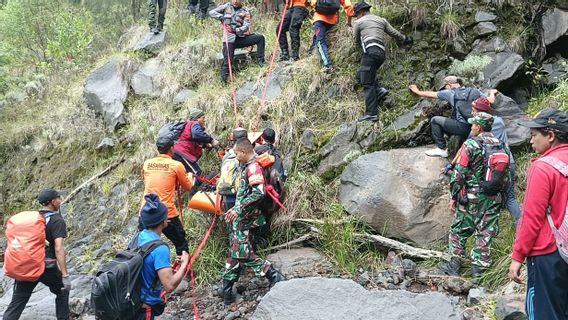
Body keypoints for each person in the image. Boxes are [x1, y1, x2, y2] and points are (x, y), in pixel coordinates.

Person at [508, 109, 568, 319]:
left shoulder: (542, 168)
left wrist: (518, 256)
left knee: (545, 312)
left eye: (534, 135)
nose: (531, 141)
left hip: (548, 253)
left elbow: (532, 218)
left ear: (550, 136)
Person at [439, 112, 509, 281]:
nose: (471, 127)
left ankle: (454, 267)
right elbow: (506, 176)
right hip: (493, 198)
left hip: (471, 199)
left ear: (479, 126)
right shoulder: (501, 145)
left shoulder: (470, 145)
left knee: (459, 231)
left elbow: (459, 174)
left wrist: (454, 196)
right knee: (485, 233)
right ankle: (479, 275)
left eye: (473, 125)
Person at [221, 138, 285, 305]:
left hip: (244, 218)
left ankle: (273, 275)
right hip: (242, 217)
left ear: (243, 152)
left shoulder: (253, 167)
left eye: (236, 154)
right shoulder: (247, 166)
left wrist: (238, 208)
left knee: (242, 253)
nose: (236, 157)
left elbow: (259, 192)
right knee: (237, 251)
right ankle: (226, 290)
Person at [3, 189, 70, 320]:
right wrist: (65, 275)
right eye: (58, 198)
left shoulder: (35, 219)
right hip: (47, 268)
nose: (60, 201)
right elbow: (59, 248)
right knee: (62, 291)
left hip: (27, 264)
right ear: (52, 202)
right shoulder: (57, 220)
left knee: (18, 301)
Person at [353, 1, 412, 122]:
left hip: (369, 53)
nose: (356, 17)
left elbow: (356, 41)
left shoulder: (359, 22)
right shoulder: (381, 20)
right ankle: (379, 90)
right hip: (381, 54)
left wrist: (360, 51)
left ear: (361, 12)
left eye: (356, 14)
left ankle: (371, 113)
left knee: (367, 84)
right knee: (361, 76)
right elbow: (394, 33)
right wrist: (405, 39)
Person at [409, 76, 497, 158]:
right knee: (452, 117)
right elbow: (491, 100)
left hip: (463, 128)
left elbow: (430, 94)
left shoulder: (450, 93)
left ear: (449, 85)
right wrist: (492, 92)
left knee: (435, 120)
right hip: (477, 127)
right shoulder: (474, 91)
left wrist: (418, 91)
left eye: (444, 87)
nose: (444, 89)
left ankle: (441, 149)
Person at [135, 194, 190, 320]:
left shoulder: (138, 237)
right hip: (145, 306)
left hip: (132, 299)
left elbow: (144, 265)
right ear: (164, 221)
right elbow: (169, 286)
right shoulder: (160, 249)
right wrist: (184, 265)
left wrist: (168, 267)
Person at [140, 136, 194, 256]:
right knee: (181, 244)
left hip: (146, 212)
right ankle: (183, 269)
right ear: (172, 148)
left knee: (144, 247)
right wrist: (189, 177)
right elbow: (188, 187)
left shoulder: (147, 164)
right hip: (166, 213)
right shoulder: (176, 165)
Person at [209, 0, 266, 83]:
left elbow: (246, 26)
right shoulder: (226, 6)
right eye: (233, 0)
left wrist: (235, 30)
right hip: (228, 40)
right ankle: (224, 81)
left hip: (240, 38)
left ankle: (261, 61)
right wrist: (221, 17)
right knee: (228, 61)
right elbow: (211, 12)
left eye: (237, 0)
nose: (235, 1)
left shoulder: (245, 11)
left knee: (260, 38)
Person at [308, 0, 354, 74]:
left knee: (320, 42)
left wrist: (312, 15)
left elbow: (311, 3)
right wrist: (349, 23)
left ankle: (328, 65)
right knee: (318, 38)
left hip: (319, 20)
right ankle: (311, 54)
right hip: (333, 21)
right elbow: (349, 7)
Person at [173, 108, 219, 178]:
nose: (204, 120)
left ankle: (187, 188)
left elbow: (193, 140)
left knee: (187, 174)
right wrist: (211, 140)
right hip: (182, 153)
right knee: (197, 173)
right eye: (203, 118)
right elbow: (197, 134)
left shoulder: (189, 126)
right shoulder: (194, 123)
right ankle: (194, 189)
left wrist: (206, 145)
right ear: (197, 118)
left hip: (178, 152)